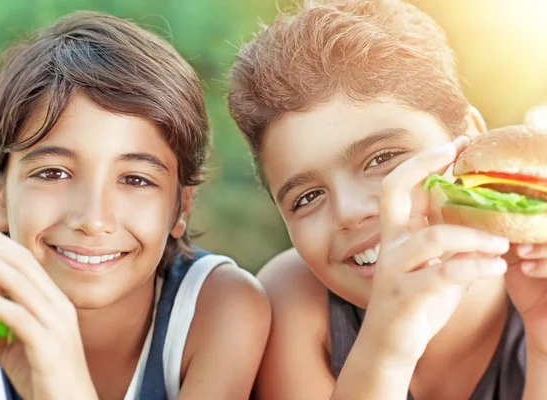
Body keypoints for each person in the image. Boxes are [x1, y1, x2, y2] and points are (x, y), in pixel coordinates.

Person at [227, 1, 547, 399]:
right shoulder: (293, 301)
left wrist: (543, 347)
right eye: (308, 196)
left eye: (382, 158)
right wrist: (386, 351)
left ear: (468, 139)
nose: (349, 211)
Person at [0, 11, 270, 400]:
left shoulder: (218, 311)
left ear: (180, 207)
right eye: (53, 173)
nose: (93, 220)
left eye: (136, 180)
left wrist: (62, 382)